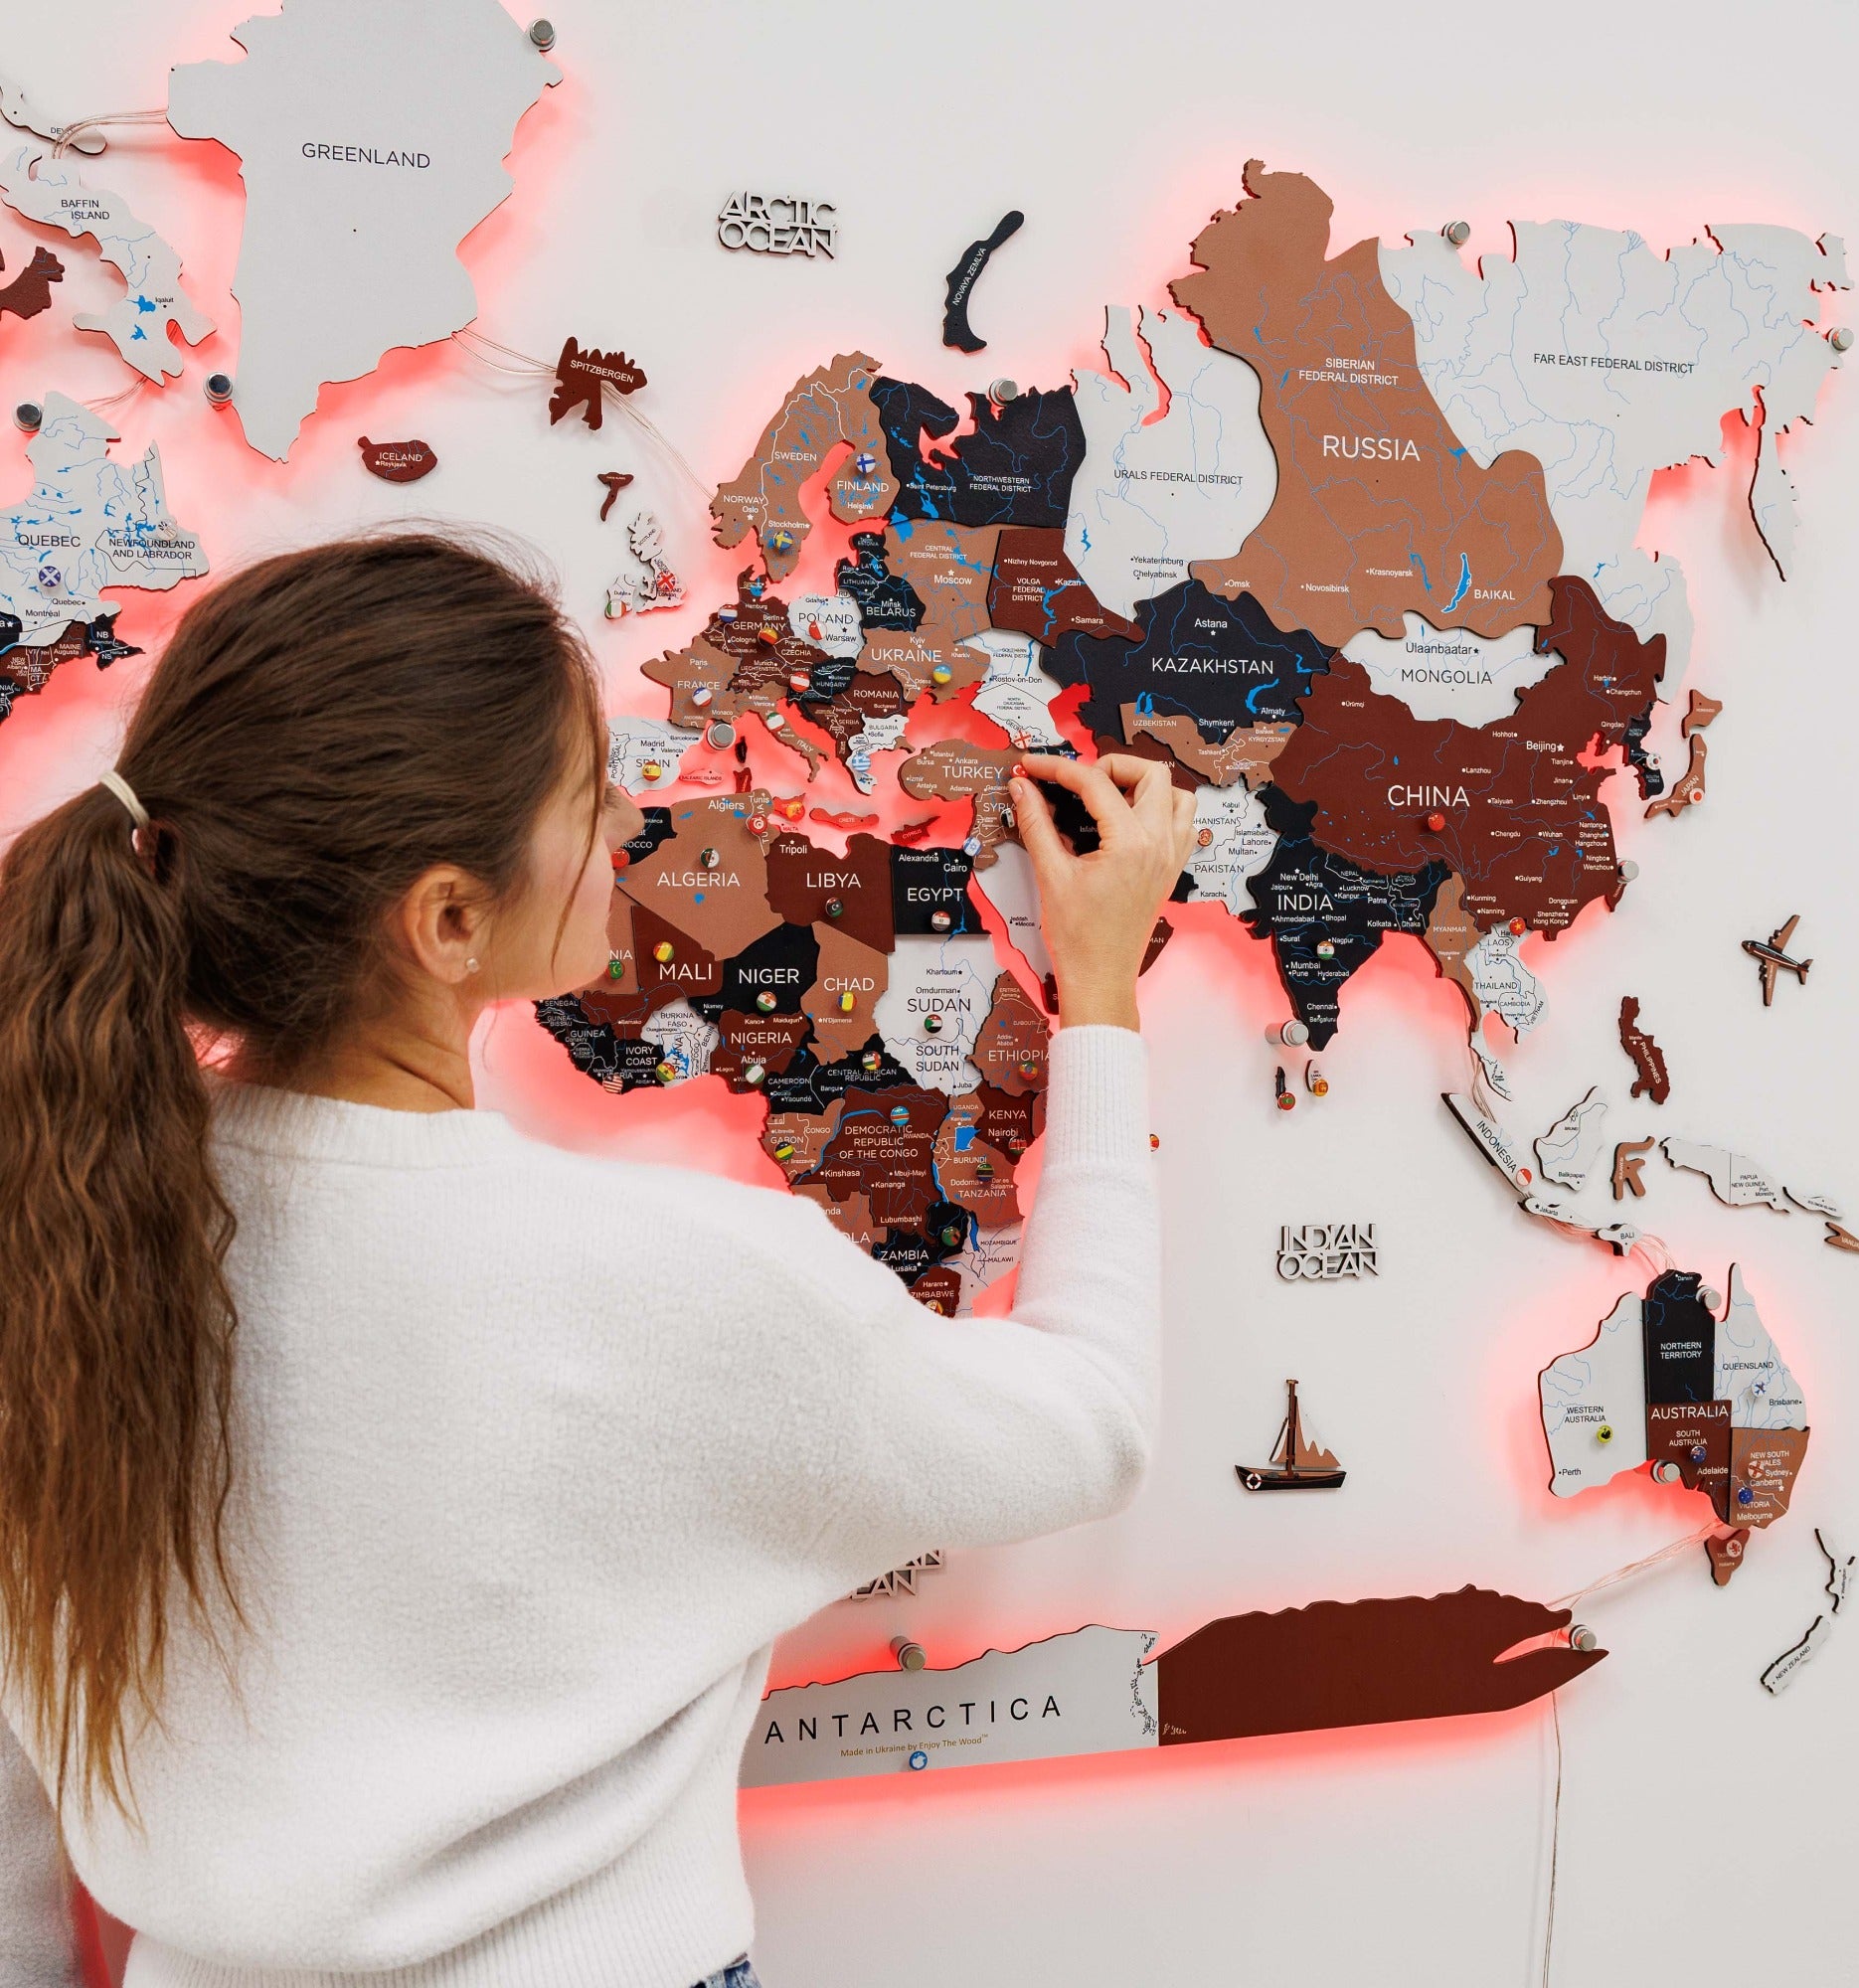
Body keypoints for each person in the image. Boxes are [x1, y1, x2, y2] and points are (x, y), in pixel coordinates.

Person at [0, 531, 1193, 1988]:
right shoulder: (671, 1278)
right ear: (449, 920)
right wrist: (1107, 997)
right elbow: (1090, 1427)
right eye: (588, 795)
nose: (631, 820)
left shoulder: (48, 1225)